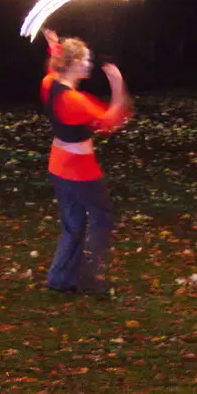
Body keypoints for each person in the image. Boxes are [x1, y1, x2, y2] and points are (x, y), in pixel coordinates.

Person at [40, 34, 132, 295]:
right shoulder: (74, 101)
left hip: (58, 164)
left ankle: (60, 279)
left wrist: (55, 46)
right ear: (75, 63)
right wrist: (117, 84)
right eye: (86, 59)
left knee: (74, 223)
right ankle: (90, 276)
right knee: (102, 218)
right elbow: (111, 121)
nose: (90, 63)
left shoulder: (49, 84)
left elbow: (52, 67)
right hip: (79, 170)